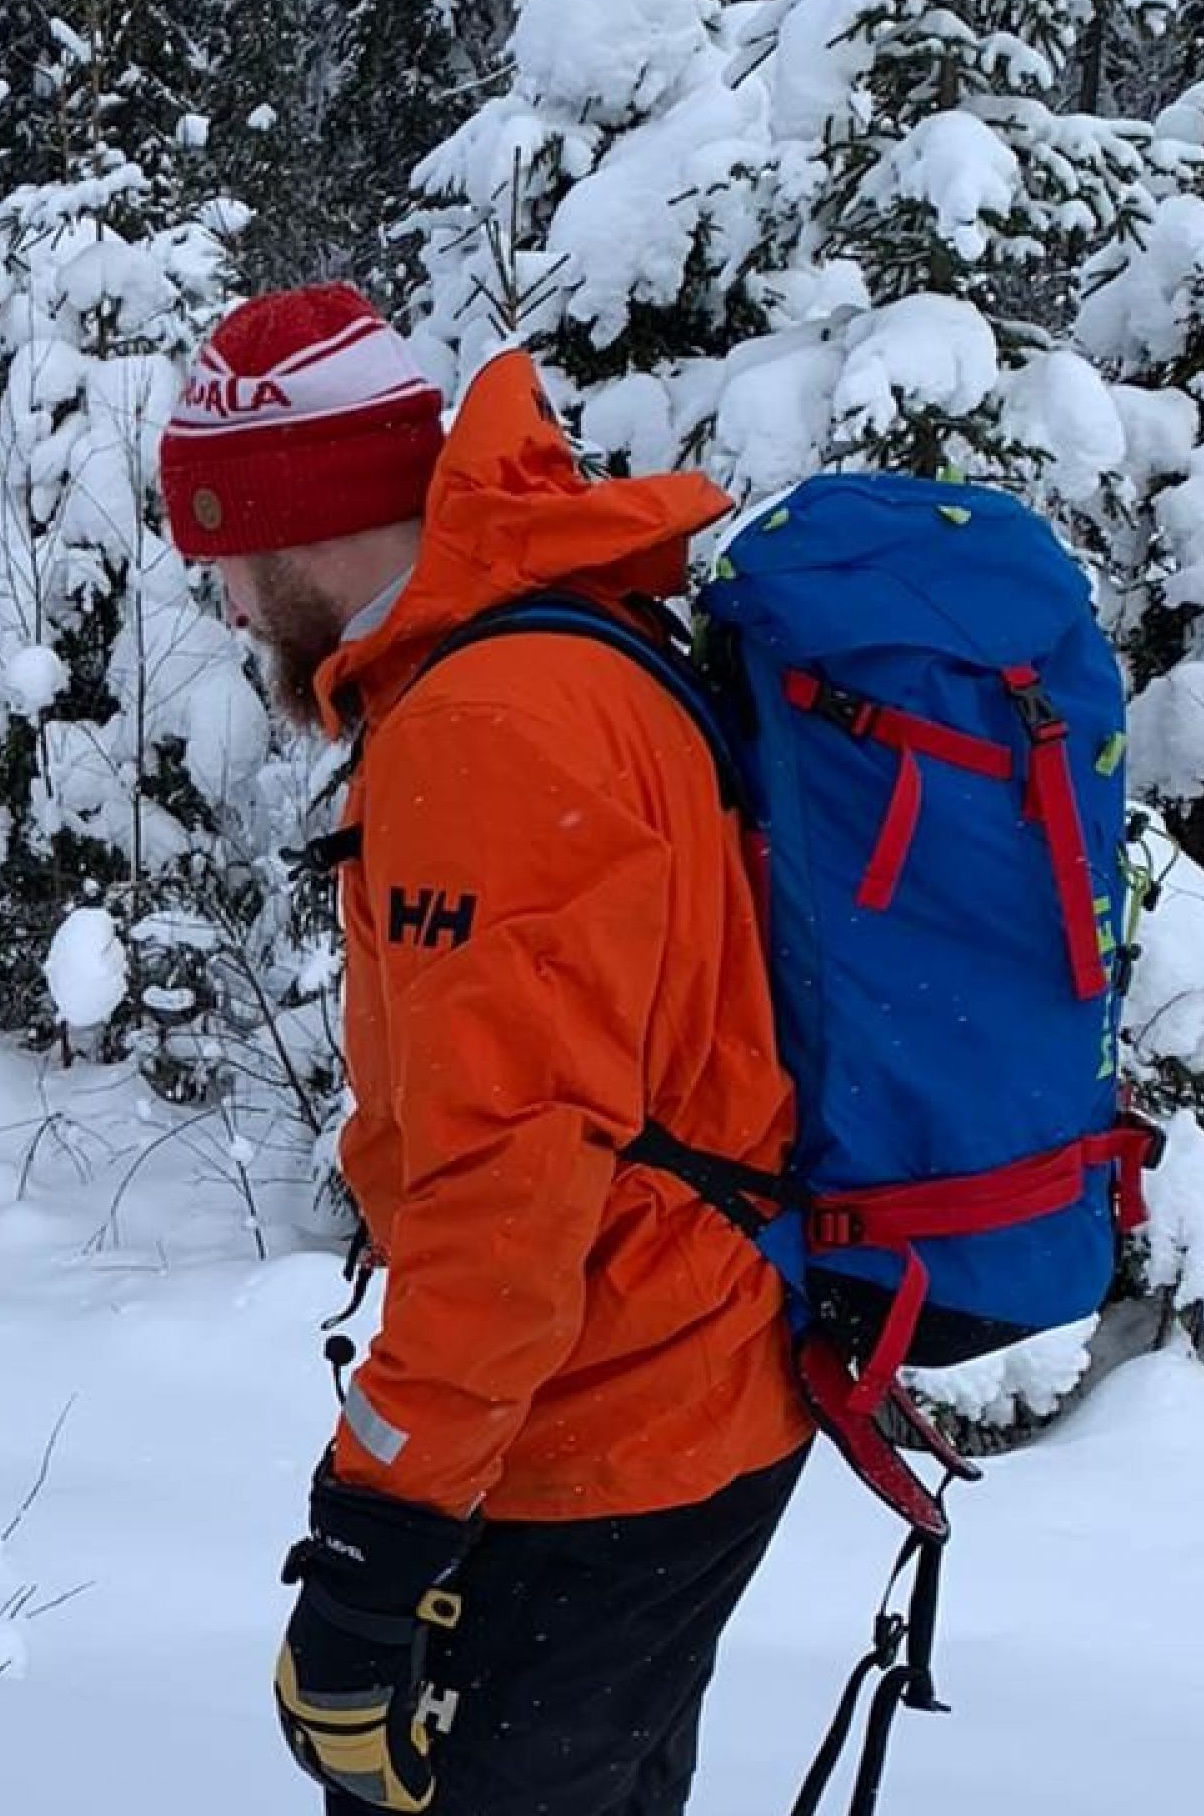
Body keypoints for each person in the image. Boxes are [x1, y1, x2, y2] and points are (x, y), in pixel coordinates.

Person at [156, 286, 812, 1816]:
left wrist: (373, 1545)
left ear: (296, 531)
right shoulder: (562, 635)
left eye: (228, 570)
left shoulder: (485, 730)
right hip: (687, 1396)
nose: (234, 615)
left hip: (594, 1445)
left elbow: (502, 1204)